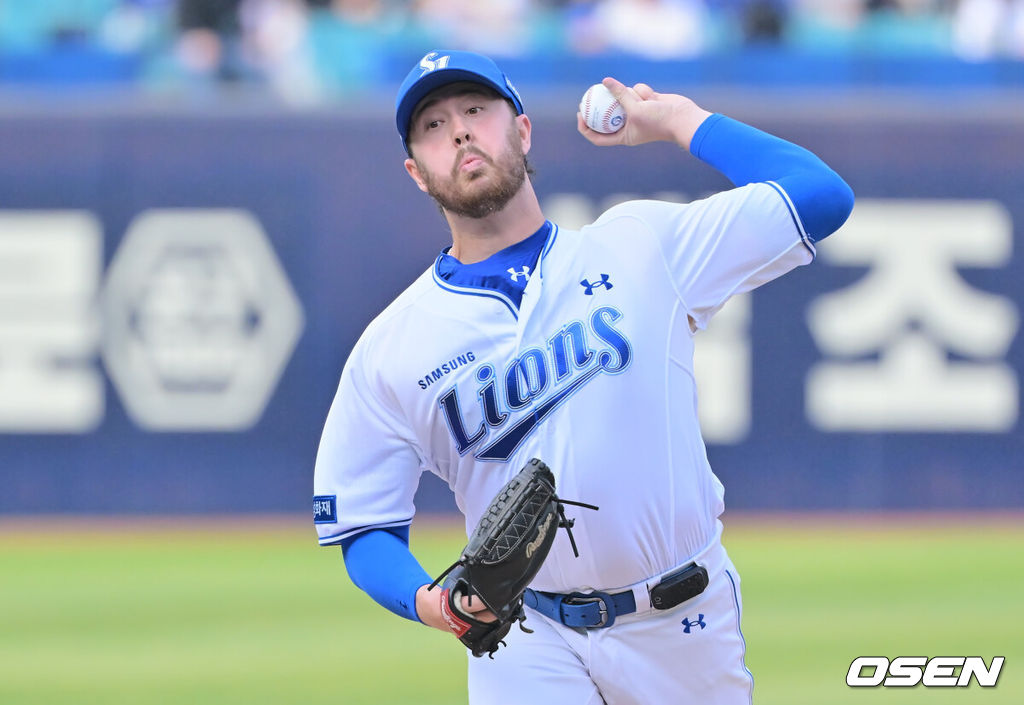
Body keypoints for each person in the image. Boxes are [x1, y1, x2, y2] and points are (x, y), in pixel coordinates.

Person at [313, 49, 854, 704]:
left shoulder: (640, 244)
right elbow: (363, 524)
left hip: (679, 620)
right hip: (525, 634)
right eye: (433, 125)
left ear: (523, 130)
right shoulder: (391, 346)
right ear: (416, 172)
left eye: (477, 110)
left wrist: (683, 120)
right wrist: (430, 601)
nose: (458, 131)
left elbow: (821, 196)